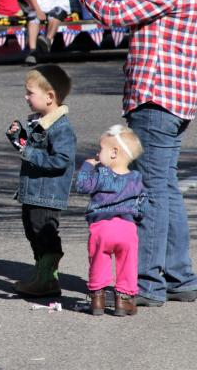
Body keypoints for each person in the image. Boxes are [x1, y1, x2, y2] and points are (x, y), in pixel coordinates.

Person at [63, 0, 197, 307]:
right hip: (169, 101)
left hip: (157, 101)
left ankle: (145, 283)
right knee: (167, 189)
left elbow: (114, 14)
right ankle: (180, 277)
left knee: (153, 194)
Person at [5, 64, 76, 297]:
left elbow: (61, 160)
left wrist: (27, 150)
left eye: (30, 93)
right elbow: (32, 150)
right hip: (34, 191)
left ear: (49, 97)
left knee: (44, 233)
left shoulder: (60, 127)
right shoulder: (41, 122)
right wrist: (20, 139)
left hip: (48, 194)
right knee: (32, 231)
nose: (26, 97)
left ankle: (48, 279)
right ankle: (42, 275)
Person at [75, 125, 145, 317]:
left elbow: (82, 186)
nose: (98, 154)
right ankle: (123, 301)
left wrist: (88, 166)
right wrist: (138, 217)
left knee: (99, 260)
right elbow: (143, 203)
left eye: (101, 149)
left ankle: (98, 298)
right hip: (127, 228)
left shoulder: (101, 174)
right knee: (127, 264)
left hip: (102, 227)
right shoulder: (137, 178)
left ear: (114, 152)